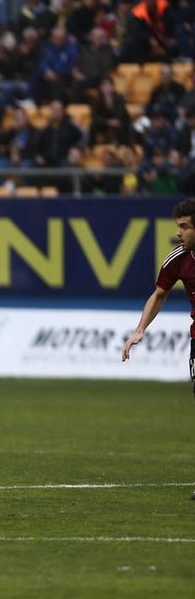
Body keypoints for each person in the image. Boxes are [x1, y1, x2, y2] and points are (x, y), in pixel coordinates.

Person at [122, 199, 195, 499]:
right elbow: (160, 294)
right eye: (178, 226)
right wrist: (139, 330)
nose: (179, 233)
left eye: (185, 227)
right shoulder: (177, 259)